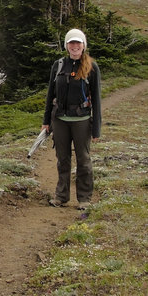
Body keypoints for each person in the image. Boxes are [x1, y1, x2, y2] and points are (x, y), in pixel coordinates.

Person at [41, 28, 101, 210]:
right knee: (63, 159)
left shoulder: (92, 67)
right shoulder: (58, 65)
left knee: (83, 159)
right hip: (60, 120)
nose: (75, 46)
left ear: (83, 46)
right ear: (66, 45)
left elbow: (97, 100)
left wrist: (96, 128)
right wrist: (46, 122)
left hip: (82, 121)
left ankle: (84, 199)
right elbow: (50, 94)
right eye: (71, 43)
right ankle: (61, 196)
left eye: (78, 43)